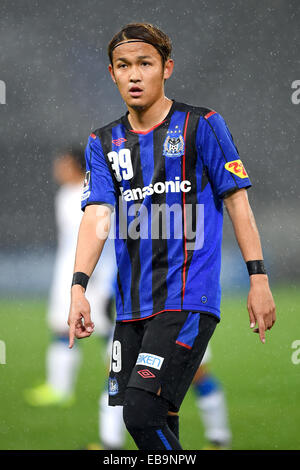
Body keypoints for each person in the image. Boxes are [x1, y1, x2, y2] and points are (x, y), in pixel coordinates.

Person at [68, 23, 276, 450]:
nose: (135, 74)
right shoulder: (103, 142)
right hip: (131, 308)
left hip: (187, 298)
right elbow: (97, 217)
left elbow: (238, 203)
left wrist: (258, 278)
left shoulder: (203, 126)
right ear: (112, 73)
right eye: (124, 66)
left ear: (167, 68)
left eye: (145, 63)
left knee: (140, 415)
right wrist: (78, 288)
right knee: (158, 420)